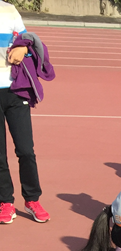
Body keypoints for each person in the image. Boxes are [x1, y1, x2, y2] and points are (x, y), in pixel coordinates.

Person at [0, 6, 51, 224]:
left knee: (25, 150)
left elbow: (26, 39)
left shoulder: (9, 10)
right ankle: (5, 201)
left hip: (15, 89)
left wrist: (22, 48)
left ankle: (32, 199)